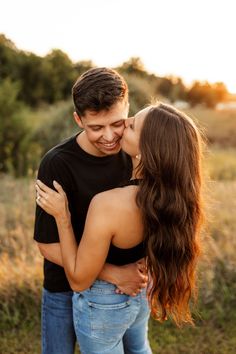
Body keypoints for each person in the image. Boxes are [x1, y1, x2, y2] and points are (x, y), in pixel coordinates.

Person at [36, 102, 204, 353]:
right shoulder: (173, 198)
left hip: (104, 302)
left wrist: (63, 217)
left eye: (132, 125)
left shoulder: (109, 204)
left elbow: (80, 280)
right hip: (139, 295)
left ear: (146, 152)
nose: (125, 124)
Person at [33, 67, 148, 354]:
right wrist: (114, 274)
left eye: (117, 123)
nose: (109, 136)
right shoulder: (57, 163)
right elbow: (47, 245)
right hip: (63, 286)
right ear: (78, 119)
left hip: (121, 294)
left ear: (128, 110)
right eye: (96, 127)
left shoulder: (134, 152)